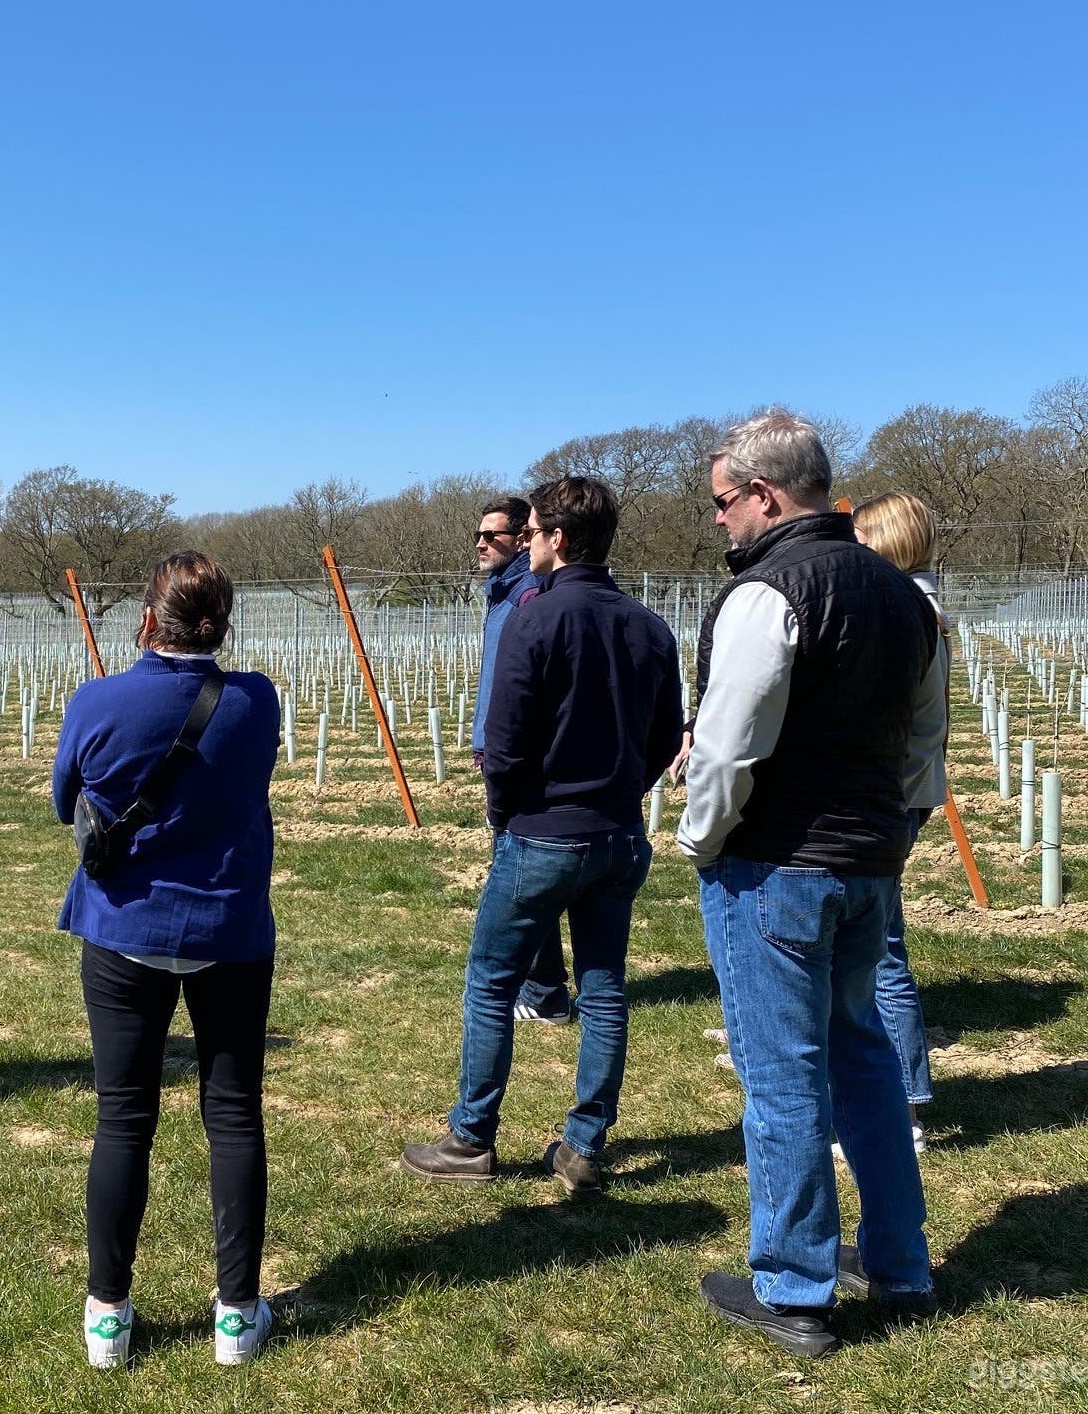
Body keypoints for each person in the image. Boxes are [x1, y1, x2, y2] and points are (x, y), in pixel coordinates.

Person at [677, 413, 939, 1359]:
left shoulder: (769, 590)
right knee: (863, 1052)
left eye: (721, 503)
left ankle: (794, 1287)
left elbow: (729, 744)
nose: (717, 523)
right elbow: (923, 746)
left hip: (776, 863)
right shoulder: (908, 599)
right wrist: (890, 836)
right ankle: (902, 1263)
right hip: (869, 859)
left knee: (780, 1071)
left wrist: (699, 840)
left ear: (765, 494)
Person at [402, 478, 682, 1197]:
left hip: (542, 832)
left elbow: (505, 741)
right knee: (605, 987)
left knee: (491, 982)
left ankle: (471, 1137)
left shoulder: (534, 618)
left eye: (529, 534)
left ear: (557, 539)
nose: (524, 546)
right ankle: (585, 1145)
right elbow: (664, 737)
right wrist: (626, 793)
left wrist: (506, 813)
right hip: (618, 836)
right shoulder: (650, 629)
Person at [53, 552, 281, 1371]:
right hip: (228, 931)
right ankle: (236, 1315)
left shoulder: (98, 700)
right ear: (222, 622)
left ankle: (107, 1319)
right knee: (233, 1113)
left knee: (124, 1117)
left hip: (123, 930)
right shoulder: (256, 699)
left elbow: (63, 800)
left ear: (148, 620)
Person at [845, 491, 950, 1157]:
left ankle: (905, 1107)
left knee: (882, 954)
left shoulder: (904, 611)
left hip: (889, 795)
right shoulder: (922, 604)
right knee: (875, 948)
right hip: (905, 792)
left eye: (859, 540)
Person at [470, 497, 572, 1026]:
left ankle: (544, 988)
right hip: (501, 749)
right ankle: (544, 984)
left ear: (522, 539)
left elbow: (526, 690)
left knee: (523, 876)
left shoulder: (528, 595)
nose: (482, 544)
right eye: (478, 535)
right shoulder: (503, 594)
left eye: (493, 535)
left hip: (520, 757)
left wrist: (503, 749)